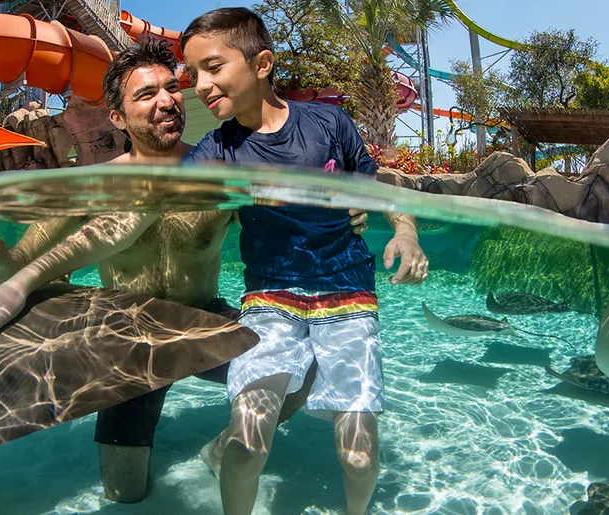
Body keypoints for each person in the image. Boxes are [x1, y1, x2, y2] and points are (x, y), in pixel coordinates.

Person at [0, 37, 377, 504]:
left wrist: (345, 210)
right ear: (117, 117)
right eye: (146, 94)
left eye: (171, 88)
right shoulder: (96, 184)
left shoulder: (220, 169)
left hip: (202, 320)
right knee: (124, 493)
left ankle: (222, 446)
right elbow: (26, 265)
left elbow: (290, 230)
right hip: (128, 336)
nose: (167, 100)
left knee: (305, 368)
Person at [177, 8, 430, 515]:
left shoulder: (329, 124)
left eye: (212, 67)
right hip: (269, 298)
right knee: (247, 444)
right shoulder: (216, 150)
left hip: (347, 294)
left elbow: (374, 189)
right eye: (193, 75)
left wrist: (406, 230)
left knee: (357, 457)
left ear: (262, 63)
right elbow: (177, 197)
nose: (199, 86)